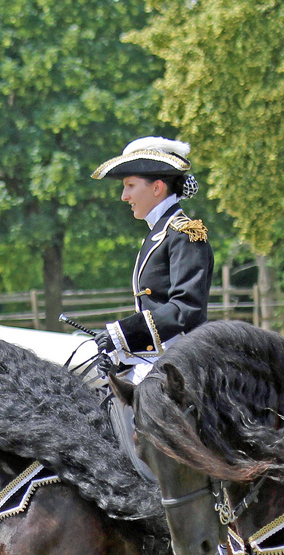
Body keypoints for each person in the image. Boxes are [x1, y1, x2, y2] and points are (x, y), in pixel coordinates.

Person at [91, 137, 213, 385]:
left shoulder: (184, 234)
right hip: (157, 363)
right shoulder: (160, 233)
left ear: (157, 188)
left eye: (130, 185)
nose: (124, 196)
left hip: (182, 369)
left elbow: (185, 310)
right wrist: (120, 356)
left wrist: (123, 335)